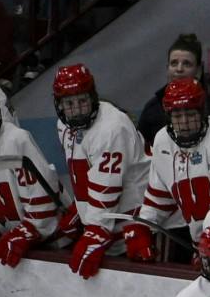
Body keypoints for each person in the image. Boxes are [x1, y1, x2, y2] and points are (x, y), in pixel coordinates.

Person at [127, 78, 210, 257]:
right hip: (203, 245)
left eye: (190, 114)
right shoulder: (163, 141)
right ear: (168, 117)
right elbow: (159, 198)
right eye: (177, 116)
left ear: (202, 112)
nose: (184, 122)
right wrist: (143, 227)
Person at [50, 64, 149, 279]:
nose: (76, 110)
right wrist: (80, 209)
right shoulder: (64, 126)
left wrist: (95, 230)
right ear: (59, 105)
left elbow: (107, 186)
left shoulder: (111, 127)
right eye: (69, 103)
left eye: (82, 101)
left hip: (136, 225)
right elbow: (86, 174)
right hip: (105, 223)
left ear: (93, 97)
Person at [0, 80, 67, 269]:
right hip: (15, 240)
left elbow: (41, 192)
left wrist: (29, 230)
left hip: (52, 241)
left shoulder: (15, 139)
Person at [136, 34, 206, 147]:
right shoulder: (152, 109)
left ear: (198, 71)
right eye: (174, 63)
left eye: (186, 64)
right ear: (167, 68)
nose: (179, 69)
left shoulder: (208, 107)